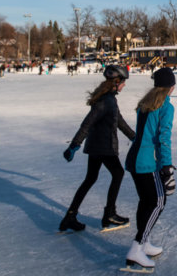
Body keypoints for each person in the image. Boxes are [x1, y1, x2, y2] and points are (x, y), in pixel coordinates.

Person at [59, 65, 136, 233]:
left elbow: (119, 121)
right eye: (123, 82)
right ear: (116, 82)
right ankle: (109, 214)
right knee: (118, 173)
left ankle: (70, 216)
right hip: (104, 147)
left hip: (97, 146)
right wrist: (74, 145)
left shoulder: (109, 99)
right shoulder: (105, 101)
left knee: (90, 179)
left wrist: (134, 137)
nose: (124, 85)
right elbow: (87, 123)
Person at [122, 67, 176, 273]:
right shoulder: (165, 106)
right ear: (171, 87)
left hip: (134, 158)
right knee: (158, 202)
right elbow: (163, 139)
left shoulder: (146, 103)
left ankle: (144, 243)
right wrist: (167, 168)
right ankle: (137, 247)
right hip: (146, 162)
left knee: (146, 201)